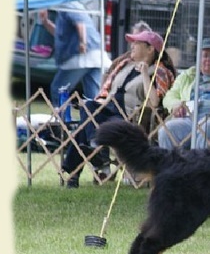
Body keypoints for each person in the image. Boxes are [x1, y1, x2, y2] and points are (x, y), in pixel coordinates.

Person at [62, 30, 176, 188]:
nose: (132, 46)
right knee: (88, 107)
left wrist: (144, 74)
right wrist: (101, 102)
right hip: (109, 108)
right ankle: (95, 147)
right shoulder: (125, 66)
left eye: (137, 43)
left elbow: (155, 102)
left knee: (82, 131)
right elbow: (108, 91)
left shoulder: (161, 71)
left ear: (150, 49)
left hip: (129, 117)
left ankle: (77, 171)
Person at [38, 1, 110, 107]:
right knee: (93, 96)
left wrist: (83, 42)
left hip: (81, 56)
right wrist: (46, 22)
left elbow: (80, 24)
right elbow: (60, 34)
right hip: (96, 56)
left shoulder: (68, 5)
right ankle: (94, 121)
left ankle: (61, 120)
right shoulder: (71, 7)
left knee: (58, 89)